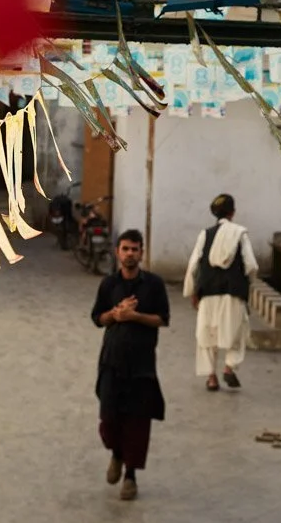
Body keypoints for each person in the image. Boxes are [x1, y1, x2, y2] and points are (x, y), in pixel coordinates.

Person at [91, 229, 169, 501]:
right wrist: (115, 313)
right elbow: (98, 318)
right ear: (117, 252)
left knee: (137, 422)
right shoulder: (109, 285)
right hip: (111, 362)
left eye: (135, 249)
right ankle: (116, 454)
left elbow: (162, 318)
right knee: (109, 419)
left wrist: (134, 316)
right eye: (125, 249)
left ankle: (131, 476)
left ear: (142, 252)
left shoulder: (154, 285)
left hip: (142, 365)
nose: (130, 254)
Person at [185, 193, 257, 392]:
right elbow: (251, 265)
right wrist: (245, 283)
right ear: (233, 212)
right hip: (233, 292)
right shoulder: (240, 233)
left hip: (208, 293)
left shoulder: (204, 234)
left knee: (207, 336)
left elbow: (193, 265)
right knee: (236, 332)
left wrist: (192, 291)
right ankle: (229, 367)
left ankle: (211, 378)